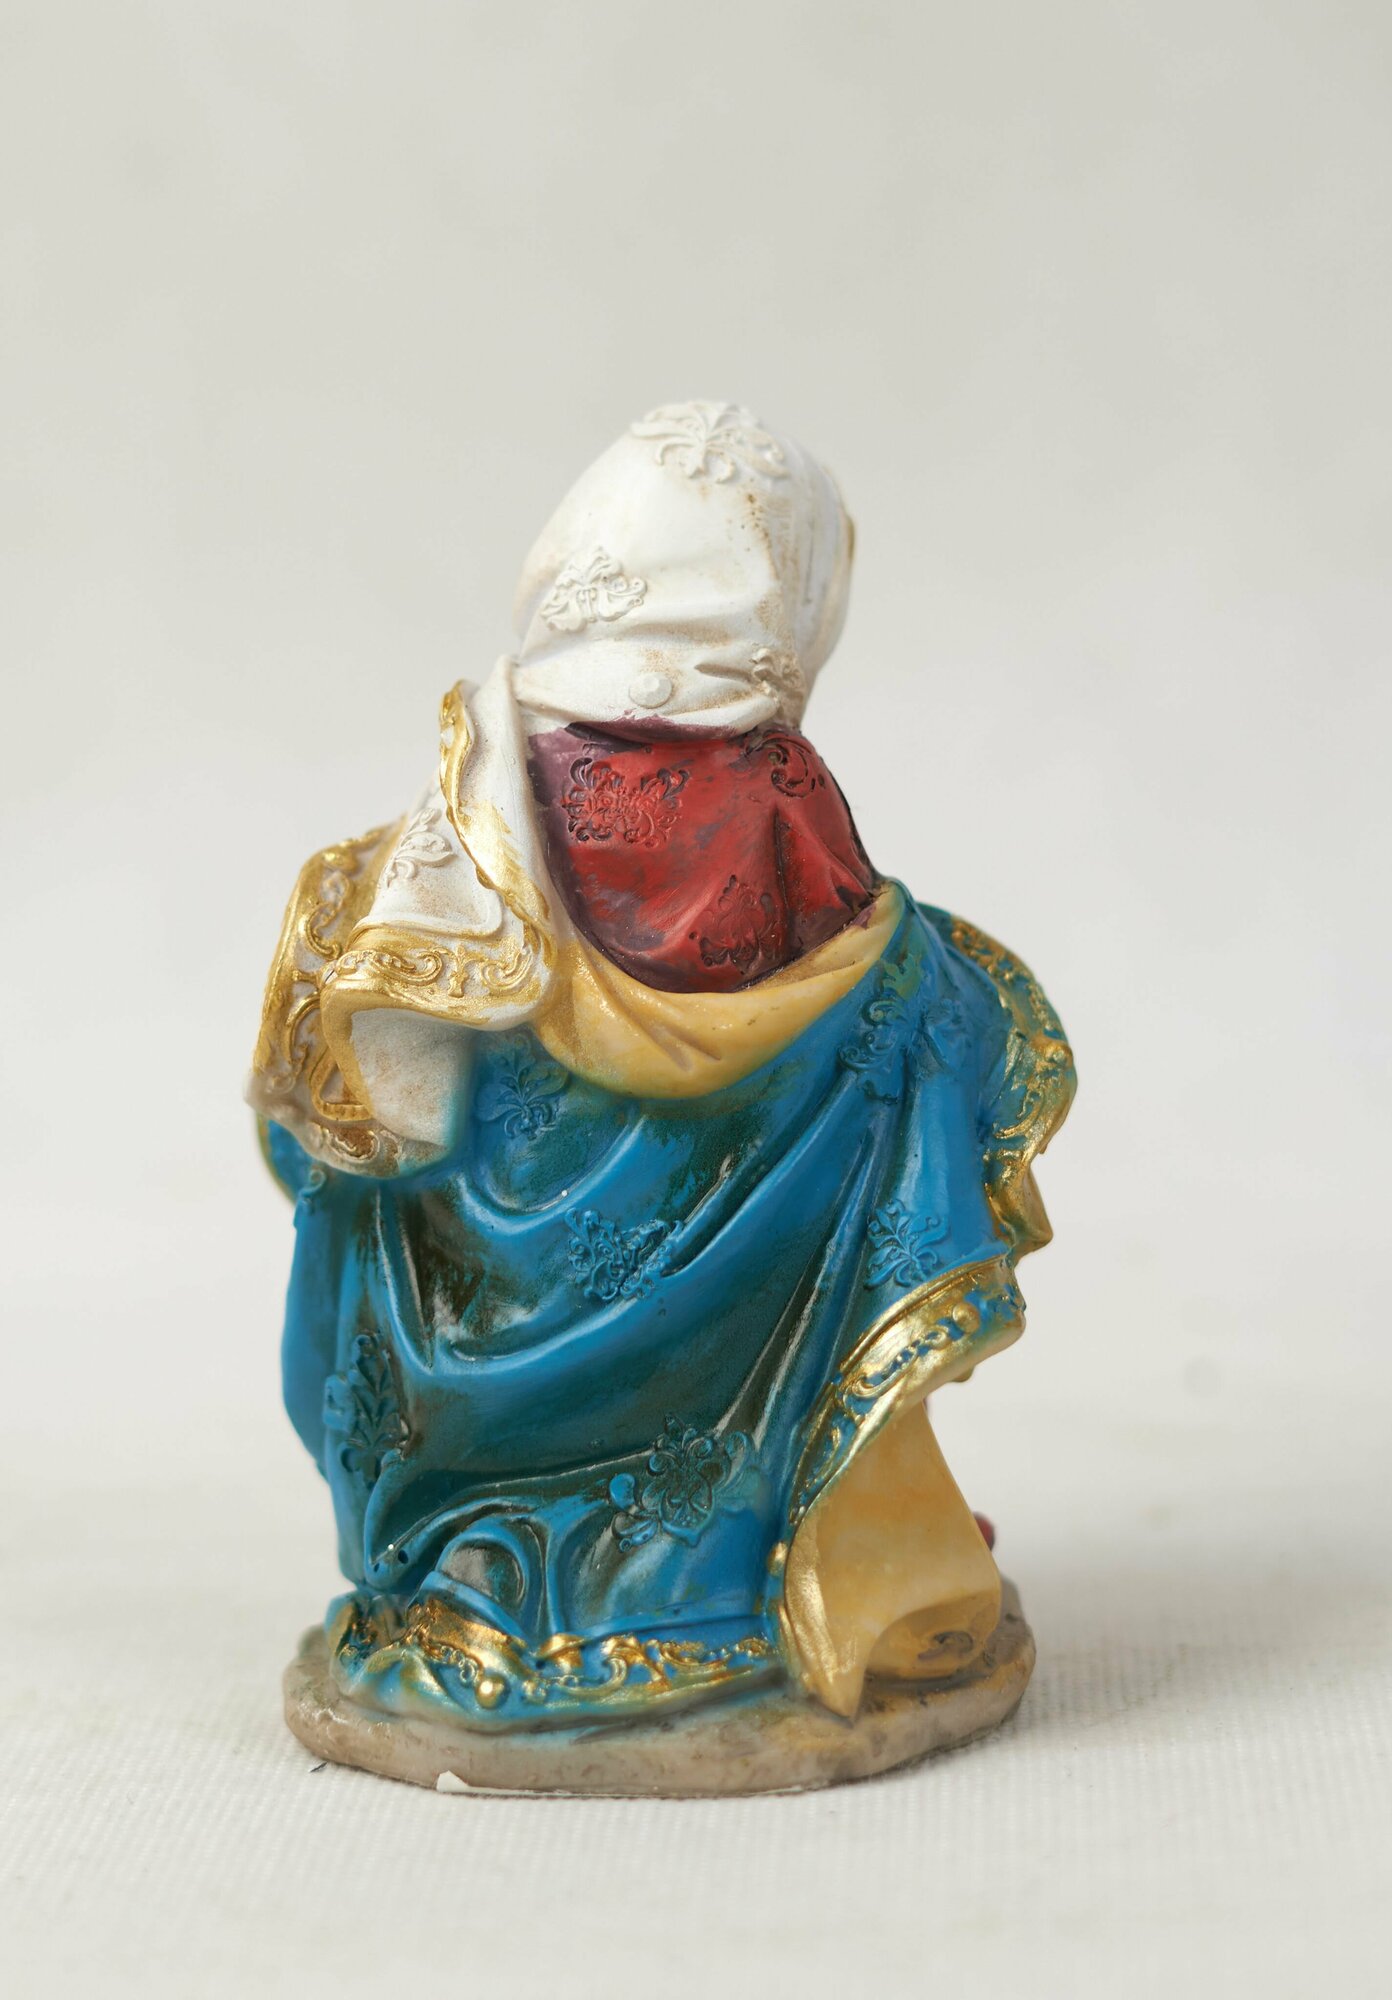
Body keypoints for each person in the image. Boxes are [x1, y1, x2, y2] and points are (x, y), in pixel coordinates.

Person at [250, 401, 1074, 1730]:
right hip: (727, 1265)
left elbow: (334, 1112)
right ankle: (771, 1533)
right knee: (920, 999)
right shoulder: (771, 792)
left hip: (459, 1317)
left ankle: (472, 1555)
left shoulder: (451, 819)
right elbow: (839, 984)